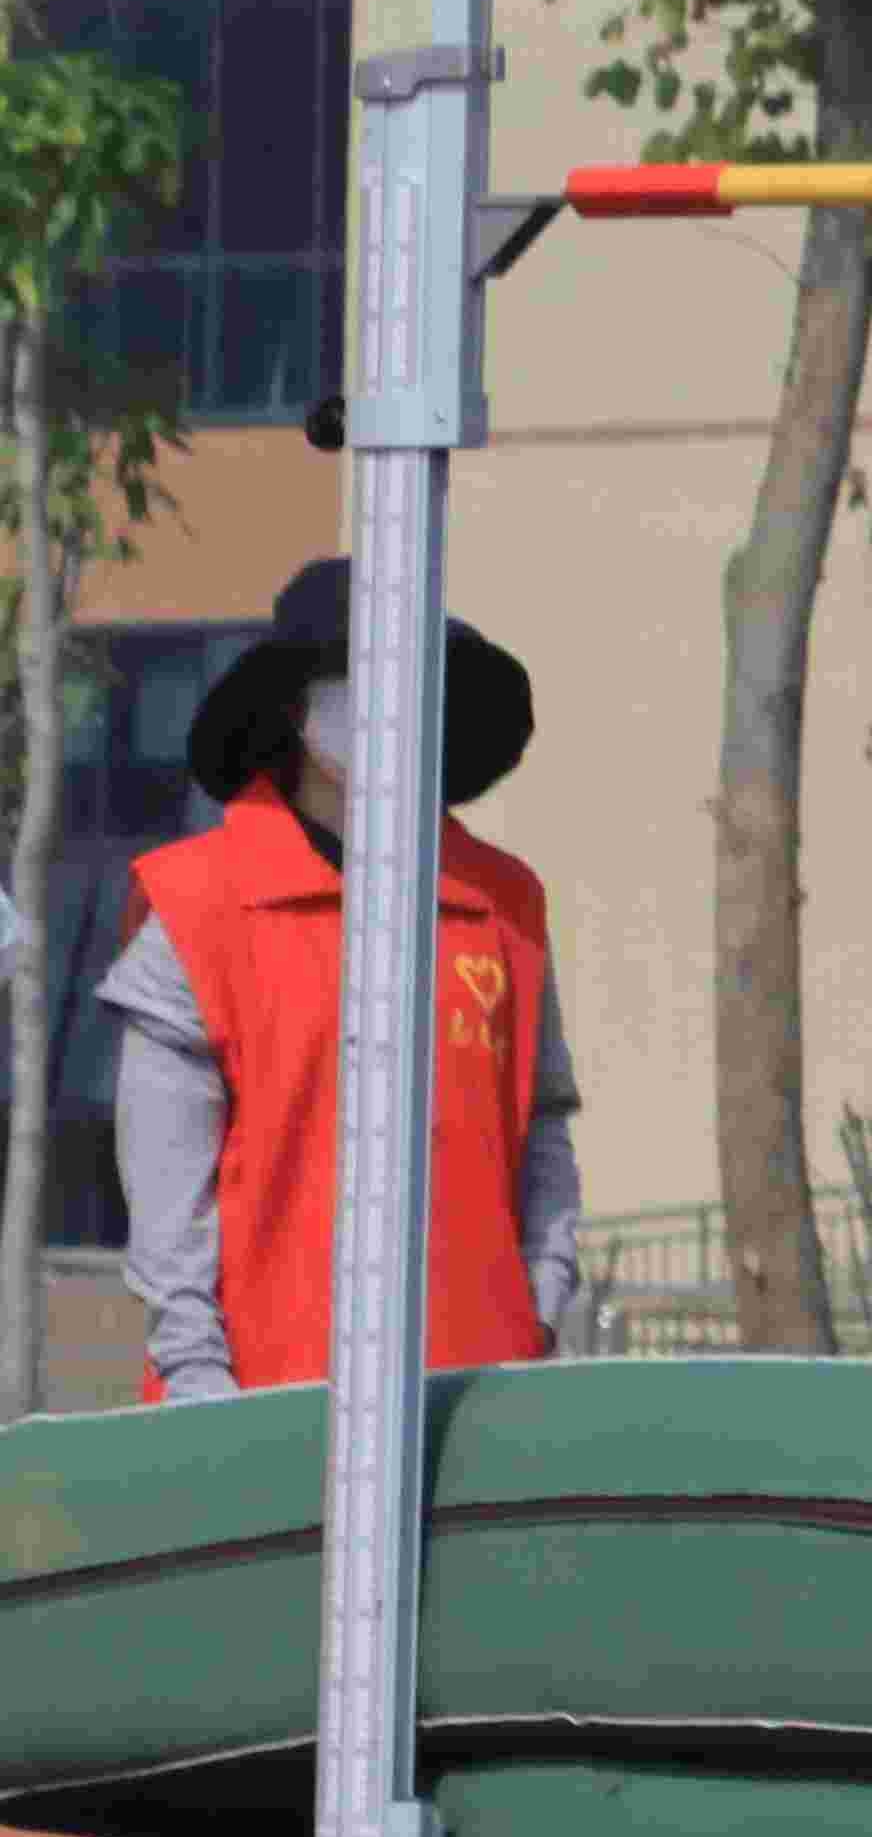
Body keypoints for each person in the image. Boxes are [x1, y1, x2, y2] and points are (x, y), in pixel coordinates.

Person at [107, 561, 582, 1404]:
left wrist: (540, 1303)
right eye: (367, 674)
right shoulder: (196, 905)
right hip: (259, 1404)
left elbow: (540, 1124)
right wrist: (202, 1391)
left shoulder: (506, 901)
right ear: (296, 709)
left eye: (417, 677)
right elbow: (167, 1193)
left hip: (483, 1394)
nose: (397, 703)